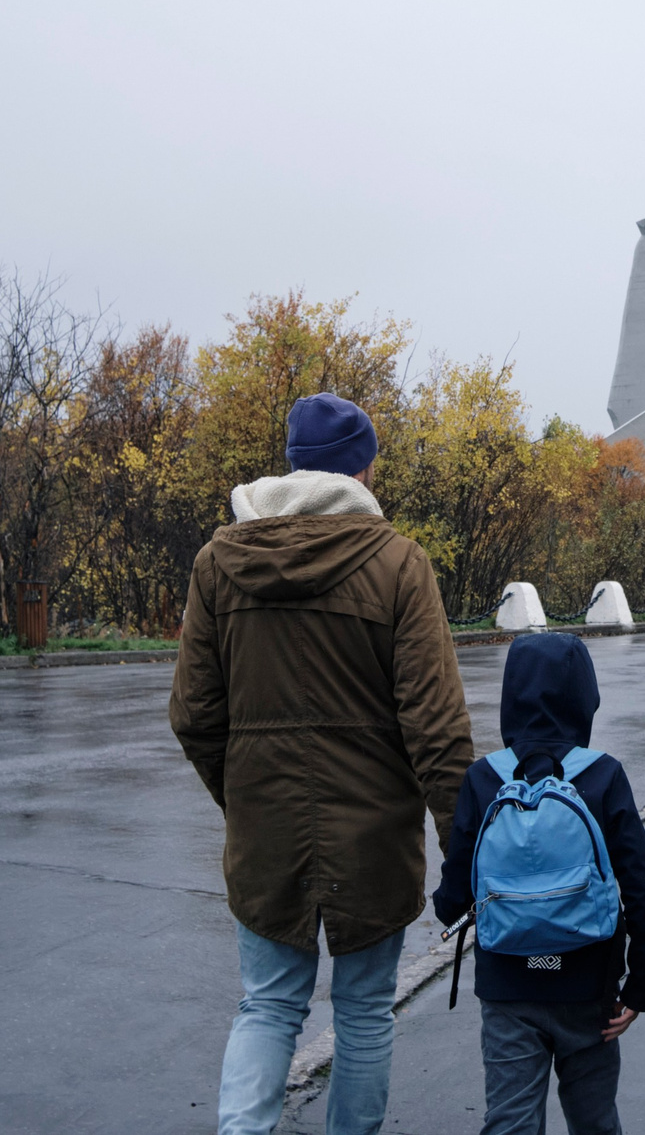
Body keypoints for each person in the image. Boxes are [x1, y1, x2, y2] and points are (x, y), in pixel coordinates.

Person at [170, 392, 475, 1135]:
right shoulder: (399, 564)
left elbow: (193, 716)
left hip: (266, 831)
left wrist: (244, 796)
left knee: (268, 1005)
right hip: (374, 839)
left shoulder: (218, 564)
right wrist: (465, 847)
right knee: (366, 1013)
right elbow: (436, 729)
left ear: (291, 464)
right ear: (363, 470)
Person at [435, 633, 645, 1135]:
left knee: (510, 1124)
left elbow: (454, 896)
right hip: (590, 987)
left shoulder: (483, 779)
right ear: (585, 697)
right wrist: (640, 989)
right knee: (594, 1121)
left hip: (507, 989)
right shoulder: (603, 775)